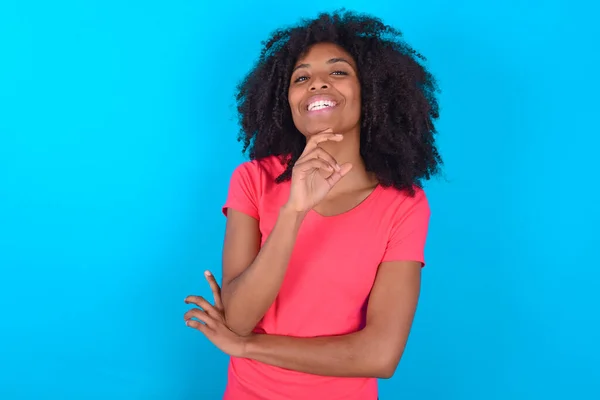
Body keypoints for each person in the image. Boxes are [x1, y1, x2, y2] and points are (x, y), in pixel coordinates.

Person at [184, 9, 442, 400]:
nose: (316, 82)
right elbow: (237, 319)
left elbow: (380, 355)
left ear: (371, 91)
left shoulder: (402, 205)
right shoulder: (253, 180)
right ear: (286, 100)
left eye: (338, 72)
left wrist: (248, 347)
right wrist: (294, 211)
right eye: (300, 77)